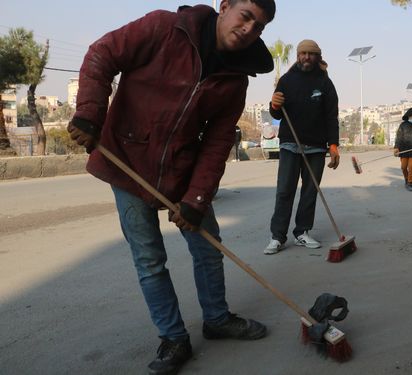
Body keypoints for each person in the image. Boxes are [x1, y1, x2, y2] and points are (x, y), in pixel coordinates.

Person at [66, 1, 276, 374]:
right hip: (127, 164)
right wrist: (89, 114)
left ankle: (216, 319)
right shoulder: (164, 28)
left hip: (184, 171)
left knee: (208, 249)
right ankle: (173, 338)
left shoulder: (236, 78)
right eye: (245, 16)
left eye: (258, 26)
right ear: (224, 6)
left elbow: (216, 142)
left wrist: (196, 199)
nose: (249, 29)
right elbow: (102, 54)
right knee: (149, 260)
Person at [263, 39, 340, 255]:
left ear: (318, 56)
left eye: (310, 54)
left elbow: (331, 117)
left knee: (309, 192)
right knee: (284, 191)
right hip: (290, 145)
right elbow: (277, 114)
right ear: (298, 55)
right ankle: (277, 236)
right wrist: (274, 104)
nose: (306, 57)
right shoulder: (287, 80)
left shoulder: (325, 83)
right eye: (302, 53)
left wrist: (333, 146)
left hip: (316, 147)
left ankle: (302, 232)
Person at [394, 108, 412, 191]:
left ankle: (410, 183)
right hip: (403, 150)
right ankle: (406, 179)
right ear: (407, 116)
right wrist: (396, 147)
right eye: (410, 116)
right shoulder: (403, 125)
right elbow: (398, 137)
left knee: (411, 166)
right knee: (403, 167)